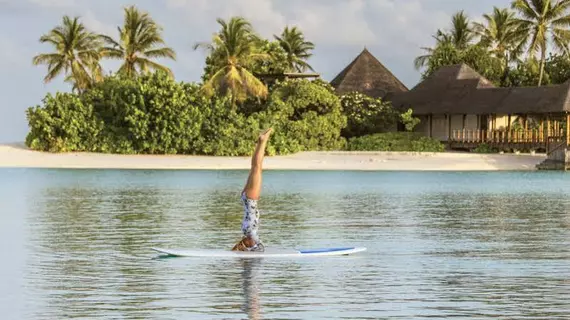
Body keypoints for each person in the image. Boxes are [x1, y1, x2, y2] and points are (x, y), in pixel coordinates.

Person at [232, 128, 273, 252]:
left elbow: (259, 248)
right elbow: (256, 247)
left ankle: (262, 141)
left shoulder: (250, 233)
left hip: (251, 200)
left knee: (257, 167)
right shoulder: (247, 231)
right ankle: (261, 142)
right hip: (246, 199)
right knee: (255, 167)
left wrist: (253, 249)